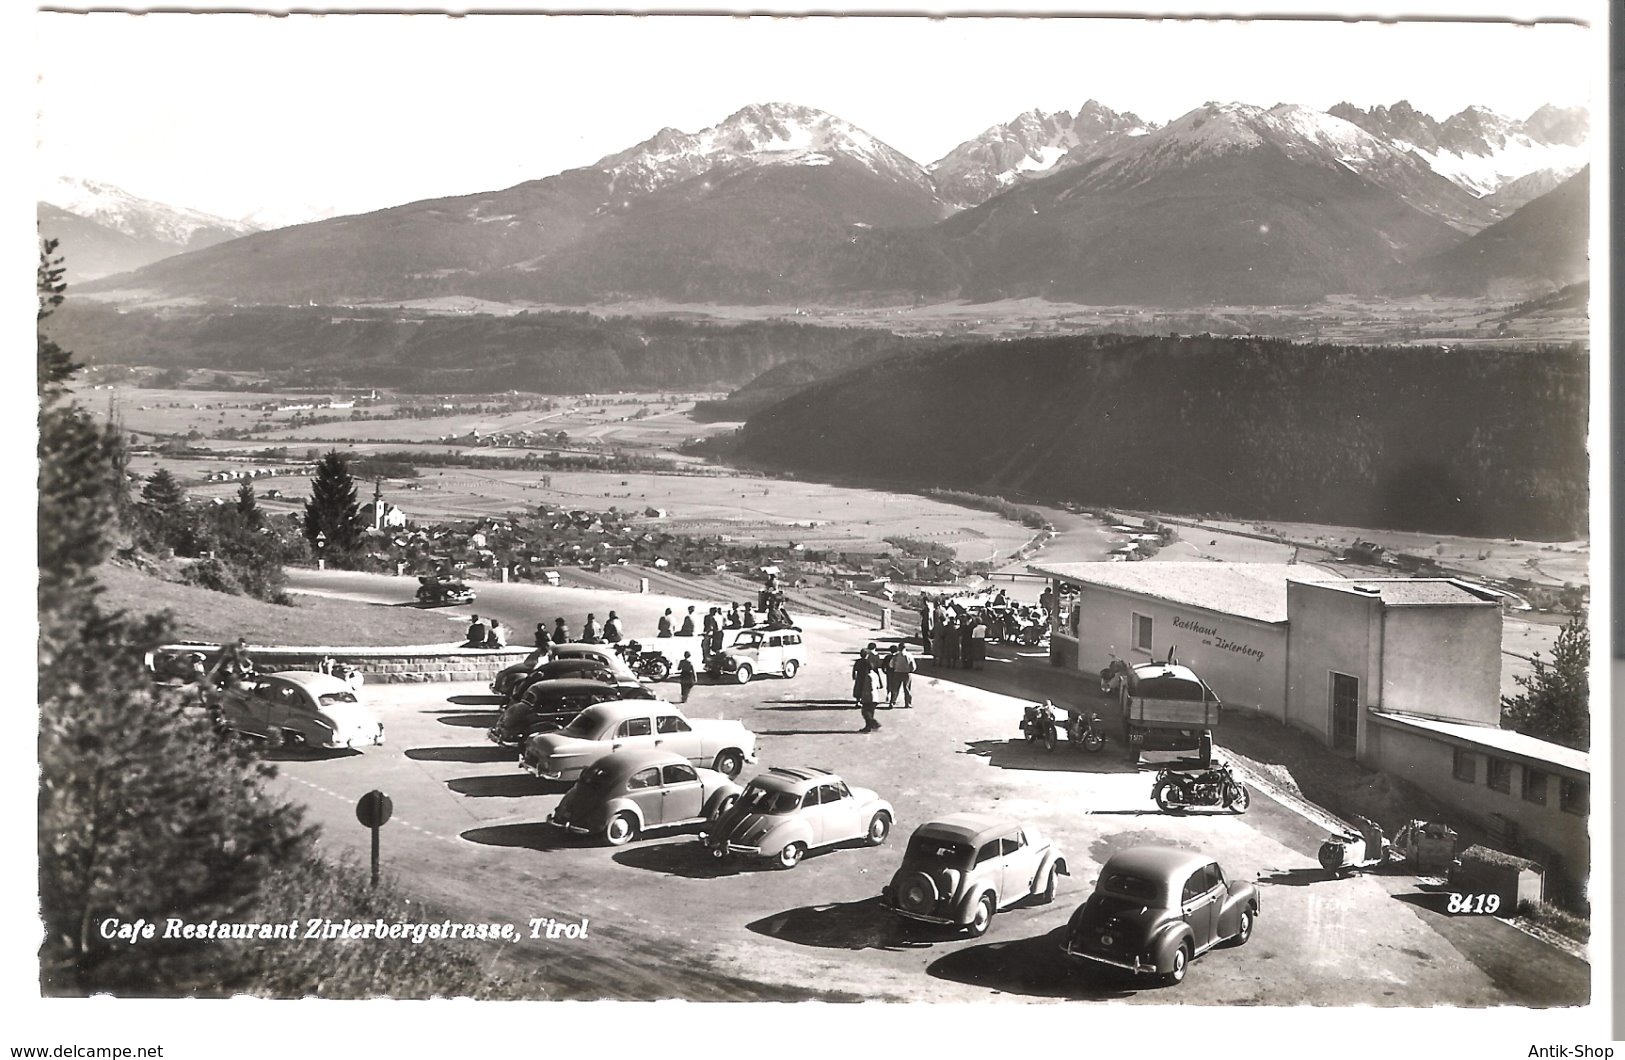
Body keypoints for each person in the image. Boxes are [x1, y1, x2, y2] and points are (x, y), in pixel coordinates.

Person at [852, 644, 881, 733]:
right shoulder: (874, 674)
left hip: (867, 692)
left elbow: (854, 670)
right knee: (870, 711)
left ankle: (873, 724)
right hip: (875, 696)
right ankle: (869, 726)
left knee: (865, 711)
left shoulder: (859, 663)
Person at [887, 643, 916, 709]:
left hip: (897, 672)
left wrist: (895, 667)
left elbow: (891, 665)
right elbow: (913, 666)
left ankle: (892, 702)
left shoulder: (896, 655)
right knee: (907, 688)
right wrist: (911, 670)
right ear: (905, 648)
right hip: (906, 673)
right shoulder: (909, 655)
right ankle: (907, 703)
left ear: (899, 648)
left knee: (895, 688)